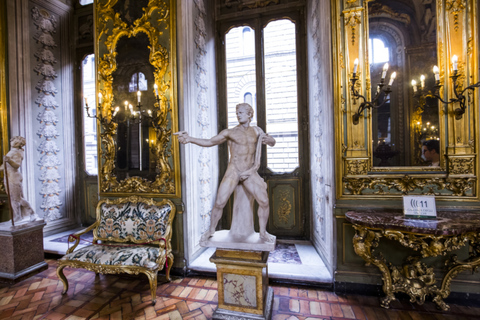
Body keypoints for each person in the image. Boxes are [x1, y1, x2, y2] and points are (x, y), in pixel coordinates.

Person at [174, 103, 276, 242]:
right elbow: (210, 141)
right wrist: (190, 139)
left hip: (249, 172)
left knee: (264, 201)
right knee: (220, 202)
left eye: (241, 112)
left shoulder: (257, 131)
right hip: (234, 170)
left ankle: (263, 232)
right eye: (237, 112)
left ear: (249, 114)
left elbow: (270, 142)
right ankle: (211, 230)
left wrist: (271, 140)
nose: (238, 114)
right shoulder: (230, 132)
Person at [0, 136, 38, 222]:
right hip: (8, 176)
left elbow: (17, 165)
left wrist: (9, 160)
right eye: (12, 140)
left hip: (14, 177)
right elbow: (4, 166)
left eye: (14, 141)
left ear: (18, 144)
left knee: (18, 198)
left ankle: (32, 213)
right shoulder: (12, 151)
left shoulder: (18, 152)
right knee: (12, 198)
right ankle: (17, 216)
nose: (12, 141)